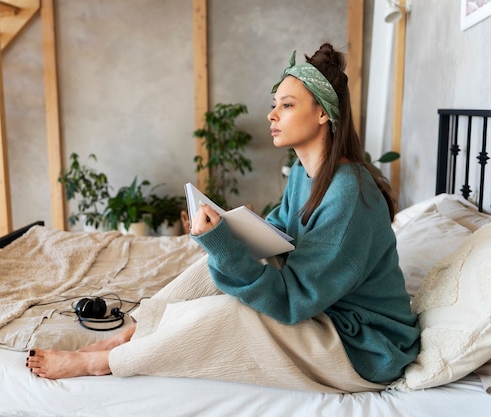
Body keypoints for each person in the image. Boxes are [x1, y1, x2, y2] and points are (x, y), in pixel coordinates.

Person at [26, 43, 420, 392]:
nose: (272, 115)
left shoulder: (350, 194)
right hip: (327, 309)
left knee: (231, 312)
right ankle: (132, 331)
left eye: (286, 105)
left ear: (322, 113)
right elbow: (282, 233)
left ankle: (102, 363)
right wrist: (235, 228)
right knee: (210, 265)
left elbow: (292, 300)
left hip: (364, 346)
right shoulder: (304, 172)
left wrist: (228, 246)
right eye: (274, 104)